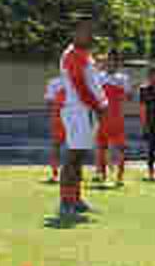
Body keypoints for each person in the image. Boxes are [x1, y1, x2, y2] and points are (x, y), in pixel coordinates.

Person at [57, 17, 108, 219]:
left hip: (86, 112)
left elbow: (91, 84)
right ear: (74, 32)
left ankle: (76, 199)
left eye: (90, 30)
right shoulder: (71, 55)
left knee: (79, 158)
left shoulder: (85, 55)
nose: (89, 34)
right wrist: (98, 107)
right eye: (84, 30)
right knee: (73, 157)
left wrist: (99, 106)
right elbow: (80, 86)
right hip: (78, 111)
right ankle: (65, 202)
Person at [96, 52, 133, 184]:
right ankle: (103, 175)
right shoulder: (99, 77)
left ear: (117, 63)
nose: (110, 63)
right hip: (102, 117)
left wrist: (122, 94)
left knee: (120, 147)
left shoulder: (123, 78)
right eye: (108, 61)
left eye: (114, 61)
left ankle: (120, 176)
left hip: (117, 117)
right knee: (102, 147)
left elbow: (129, 96)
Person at [44, 75, 67, 182]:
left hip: (74, 118)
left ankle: (74, 172)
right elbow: (49, 101)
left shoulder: (78, 81)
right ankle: (55, 173)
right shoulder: (54, 82)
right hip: (58, 118)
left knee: (75, 147)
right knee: (56, 145)